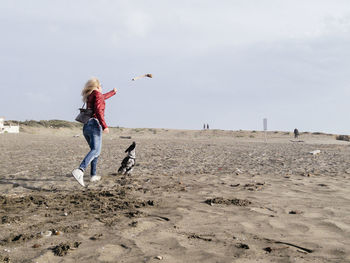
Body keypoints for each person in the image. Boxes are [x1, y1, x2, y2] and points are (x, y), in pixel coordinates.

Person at [72, 77, 117, 187]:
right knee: (96, 150)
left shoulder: (91, 95)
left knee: (95, 151)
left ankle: (93, 175)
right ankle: (80, 170)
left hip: (86, 126)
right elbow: (98, 110)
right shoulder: (97, 94)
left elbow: (103, 98)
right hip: (94, 125)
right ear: (97, 86)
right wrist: (104, 126)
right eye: (101, 85)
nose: (102, 87)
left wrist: (113, 92)